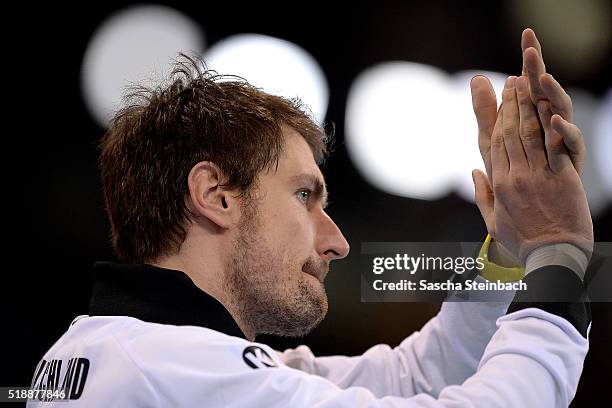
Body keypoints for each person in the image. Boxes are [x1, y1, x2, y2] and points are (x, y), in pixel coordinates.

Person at [27, 29, 592, 407]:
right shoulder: (171, 369)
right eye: (304, 196)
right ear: (216, 195)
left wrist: (510, 253)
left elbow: (420, 376)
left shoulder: (131, 354)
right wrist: (559, 250)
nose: (338, 242)